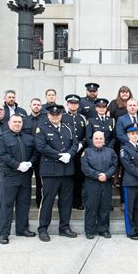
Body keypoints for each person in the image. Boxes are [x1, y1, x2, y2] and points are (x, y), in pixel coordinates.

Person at [35, 104, 78, 242]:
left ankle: (64, 227)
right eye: (53, 115)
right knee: (47, 201)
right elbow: (41, 146)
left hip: (66, 171)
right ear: (48, 115)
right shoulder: (42, 128)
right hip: (50, 171)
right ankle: (43, 229)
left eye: (58, 115)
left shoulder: (68, 128)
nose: (55, 117)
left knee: (66, 201)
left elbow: (75, 144)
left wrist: (69, 155)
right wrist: (60, 155)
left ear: (61, 115)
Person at [0, 114, 38, 244]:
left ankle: (22, 229)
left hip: (25, 176)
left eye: (19, 122)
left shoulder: (29, 138)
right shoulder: (3, 138)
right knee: (6, 205)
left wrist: (30, 163)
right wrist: (17, 165)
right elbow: (2, 155)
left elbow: (36, 153)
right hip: (10, 176)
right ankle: (4, 233)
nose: (17, 124)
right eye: (15, 122)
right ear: (9, 123)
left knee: (24, 204)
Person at [81, 131, 118, 239]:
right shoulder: (87, 152)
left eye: (100, 138)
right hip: (92, 184)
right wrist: (97, 175)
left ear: (104, 140)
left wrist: (106, 175)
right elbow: (85, 167)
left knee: (105, 207)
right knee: (91, 207)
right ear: (92, 140)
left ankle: (104, 229)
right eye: (96, 138)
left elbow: (114, 165)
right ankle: (89, 230)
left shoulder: (110, 152)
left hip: (106, 183)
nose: (98, 140)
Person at [119, 123, 138, 240]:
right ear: (128, 135)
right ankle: (131, 231)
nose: (135, 136)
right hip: (130, 182)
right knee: (130, 208)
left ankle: (137, 228)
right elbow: (127, 165)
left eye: (136, 134)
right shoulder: (124, 148)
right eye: (132, 134)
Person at [62, 94, 88, 210]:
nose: (73, 105)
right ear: (67, 104)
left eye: (75, 103)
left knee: (78, 177)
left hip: (79, 152)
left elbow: (86, 134)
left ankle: (77, 202)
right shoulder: (62, 117)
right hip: (67, 151)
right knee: (67, 178)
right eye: (71, 103)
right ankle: (66, 202)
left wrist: (81, 144)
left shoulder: (82, 118)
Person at [22, 98, 44, 207]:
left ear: (41, 106)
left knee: (40, 180)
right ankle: (25, 202)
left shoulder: (45, 120)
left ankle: (39, 201)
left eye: (38, 105)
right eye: (34, 104)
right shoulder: (24, 120)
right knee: (26, 180)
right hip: (27, 154)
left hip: (41, 155)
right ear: (30, 106)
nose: (36, 106)